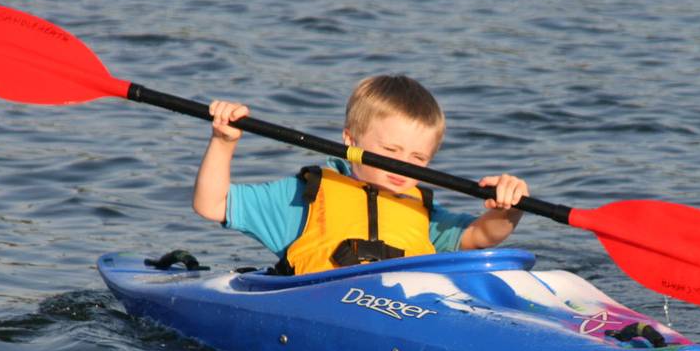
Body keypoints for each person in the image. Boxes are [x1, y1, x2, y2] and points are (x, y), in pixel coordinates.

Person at [192, 74, 529, 275]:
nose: (404, 166)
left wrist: (510, 205)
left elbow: (482, 237)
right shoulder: (303, 196)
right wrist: (224, 142)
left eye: (418, 157)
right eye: (391, 152)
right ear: (350, 140)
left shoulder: (422, 210)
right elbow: (212, 204)